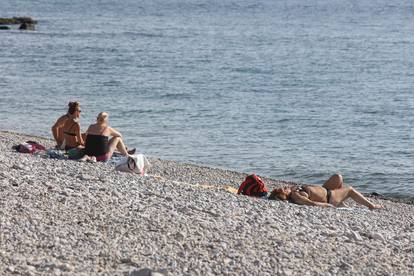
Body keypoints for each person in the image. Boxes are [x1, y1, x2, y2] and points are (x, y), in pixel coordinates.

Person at [268, 173, 382, 210]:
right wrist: (329, 205)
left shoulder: (293, 191)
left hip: (325, 189)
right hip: (329, 197)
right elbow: (312, 204)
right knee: (350, 190)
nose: (284, 187)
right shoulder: (297, 196)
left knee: (338, 177)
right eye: (283, 189)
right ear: (285, 194)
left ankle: (341, 202)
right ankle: (371, 206)